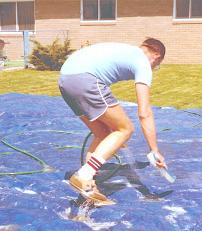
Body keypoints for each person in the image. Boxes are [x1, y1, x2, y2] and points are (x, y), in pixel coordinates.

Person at [58, 38, 167, 205]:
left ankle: (88, 188)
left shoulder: (126, 51)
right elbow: (144, 113)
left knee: (101, 134)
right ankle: (84, 175)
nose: (153, 67)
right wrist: (154, 150)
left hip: (65, 80)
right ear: (156, 57)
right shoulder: (142, 61)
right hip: (85, 79)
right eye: (156, 64)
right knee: (125, 129)